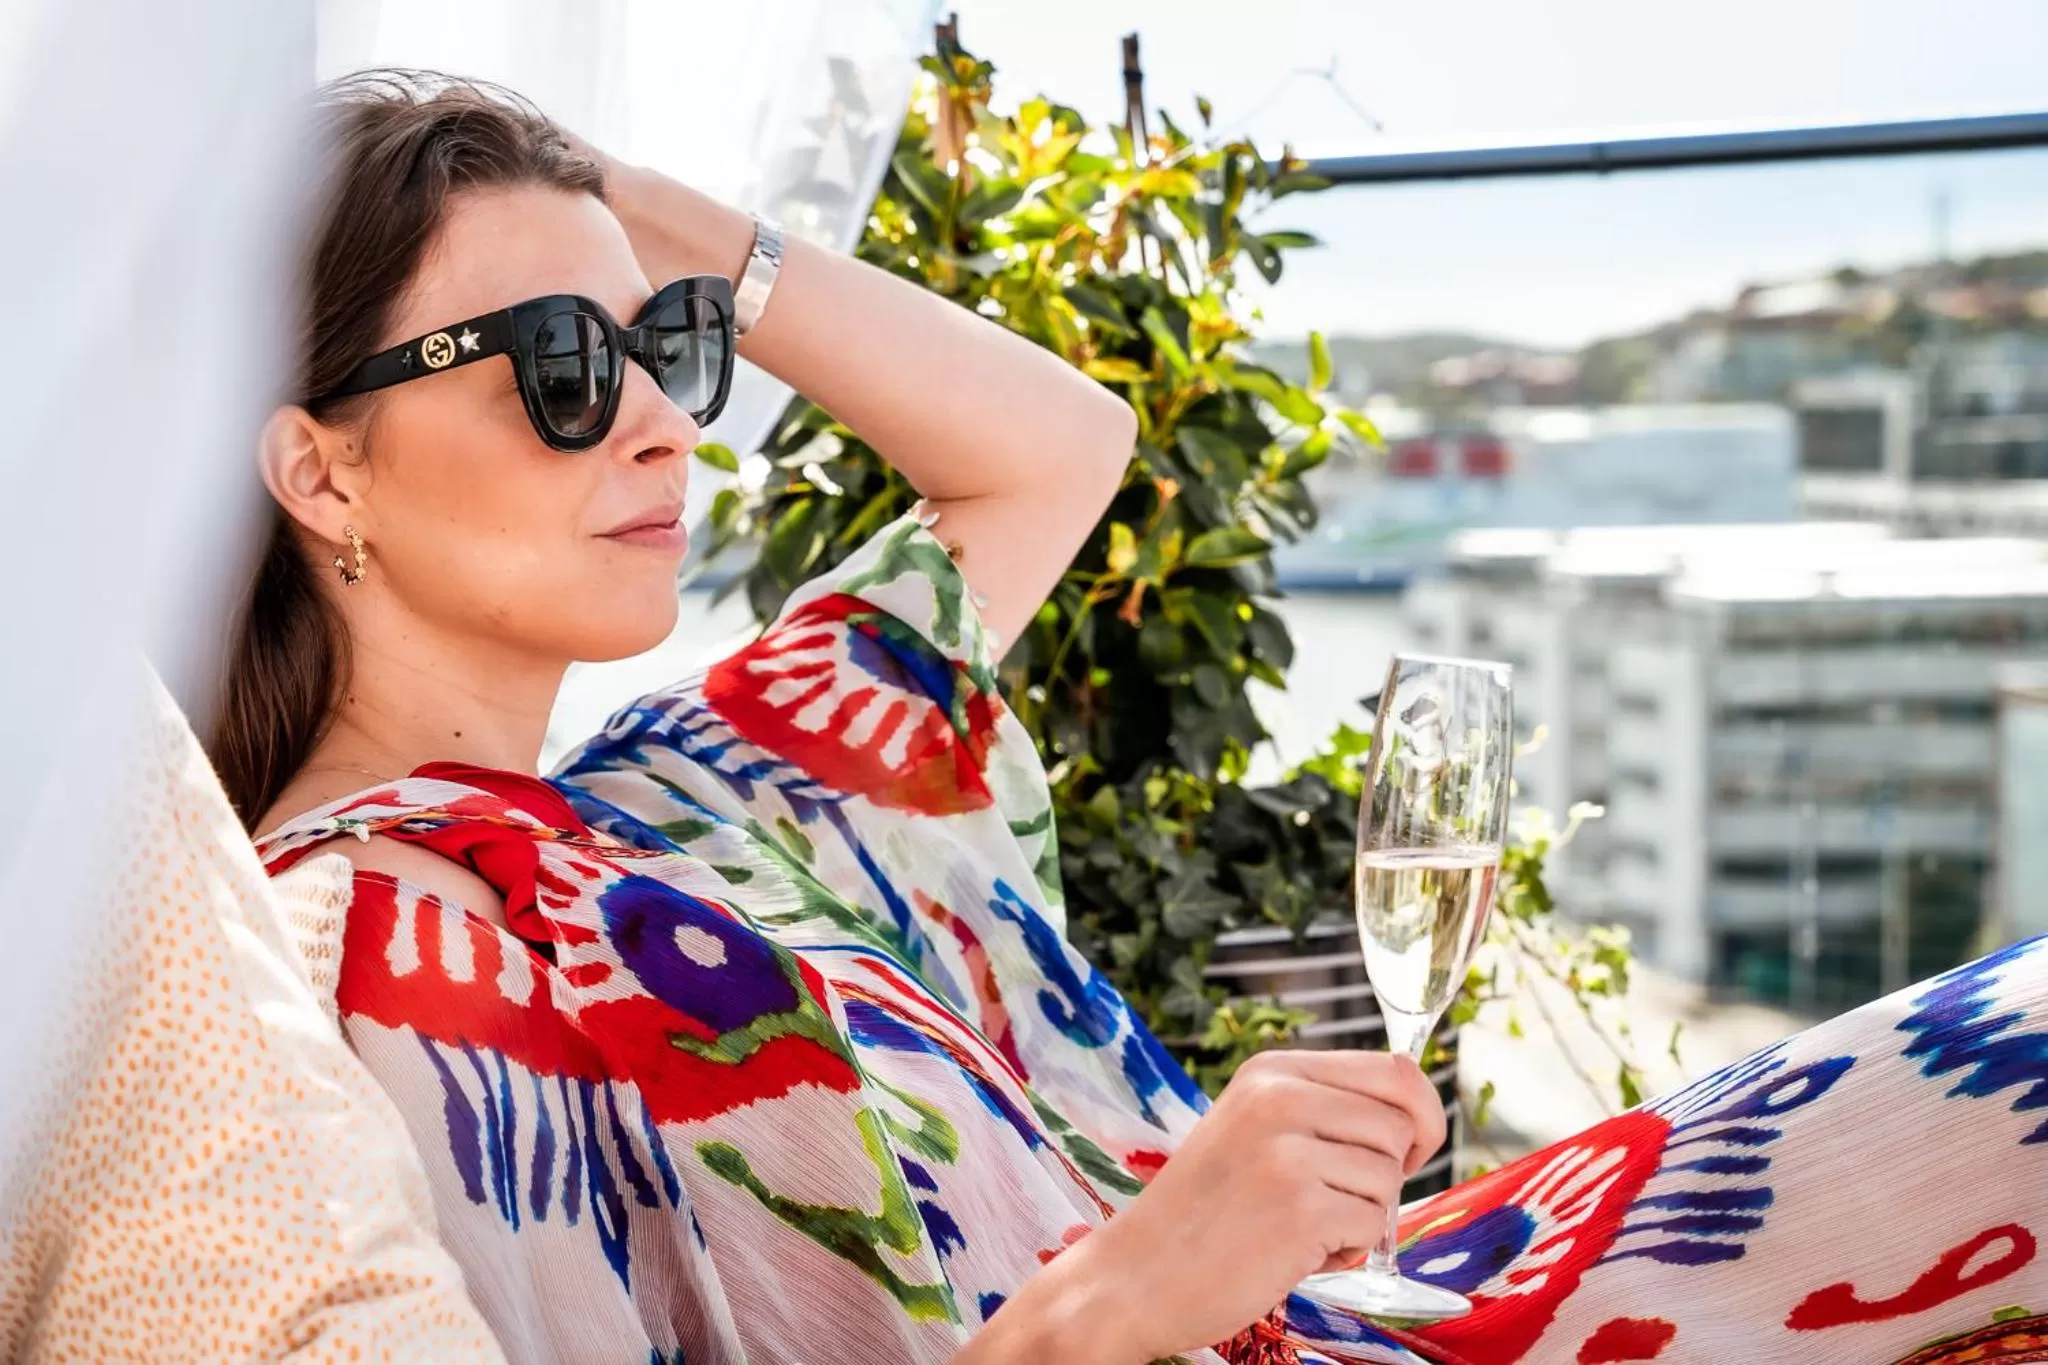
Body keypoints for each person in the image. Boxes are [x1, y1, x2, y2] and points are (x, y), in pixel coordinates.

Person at [233, 72, 2048, 1365]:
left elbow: (1051, 452)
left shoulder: (703, 794)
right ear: (322, 475)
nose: (664, 423)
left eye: (673, 348)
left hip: (1390, 1306)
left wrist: (616, 199)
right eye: (564, 365)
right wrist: (1130, 1291)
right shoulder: (371, 948)